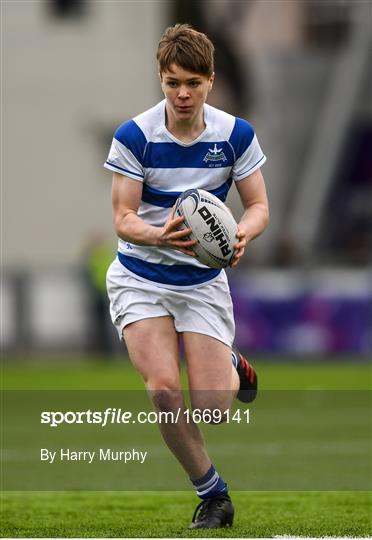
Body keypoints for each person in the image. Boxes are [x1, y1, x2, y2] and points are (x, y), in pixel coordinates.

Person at [104, 24, 269, 529]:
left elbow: (259, 205)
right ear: (161, 80)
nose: (182, 93)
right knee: (162, 391)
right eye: (173, 82)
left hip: (201, 285)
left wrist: (242, 233)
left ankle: (232, 363)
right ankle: (212, 494)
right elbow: (123, 217)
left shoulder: (235, 135)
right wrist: (158, 237)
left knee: (215, 410)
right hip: (141, 277)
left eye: (192, 83)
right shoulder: (135, 136)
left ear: (210, 82)